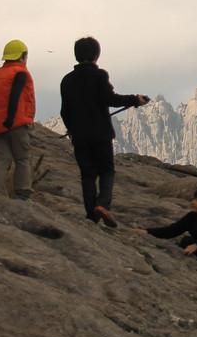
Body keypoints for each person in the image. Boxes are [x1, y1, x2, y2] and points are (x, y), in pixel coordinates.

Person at [59, 36, 149, 227]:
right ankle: (103, 205)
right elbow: (111, 99)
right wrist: (135, 99)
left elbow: (64, 111)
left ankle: (91, 215)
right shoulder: (99, 75)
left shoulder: (66, 80)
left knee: (87, 174)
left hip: (80, 137)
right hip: (100, 134)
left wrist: (71, 129)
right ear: (96, 55)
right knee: (107, 170)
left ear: (76, 55)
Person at [0, 39, 36, 200]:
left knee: (1, 160)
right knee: (22, 159)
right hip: (16, 123)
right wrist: (10, 119)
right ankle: (22, 194)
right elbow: (14, 97)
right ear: (21, 56)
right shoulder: (20, 73)